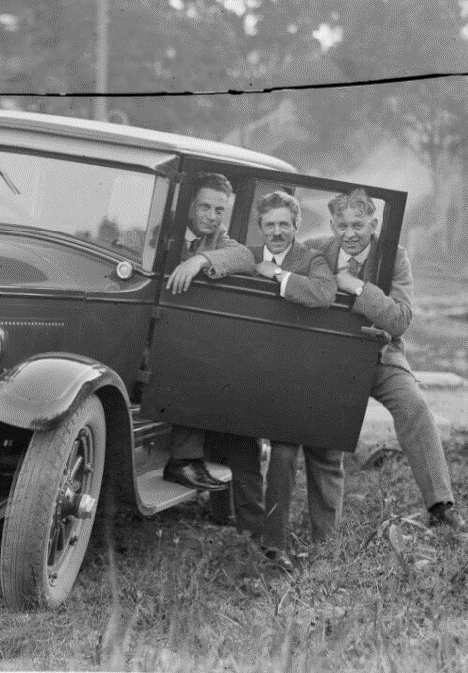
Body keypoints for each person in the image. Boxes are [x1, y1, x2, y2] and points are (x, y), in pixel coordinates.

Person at [307, 188, 466, 531]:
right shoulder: (317, 249)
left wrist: (357, 287)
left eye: (358, 225)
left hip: (380, 353)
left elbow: (400, 319)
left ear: (374, 224)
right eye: (342, 225)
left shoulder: (393, 256)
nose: (350, 234)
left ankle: (441, 506)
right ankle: (326, 534)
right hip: (333, 358)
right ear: (332, 224)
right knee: (326, 434)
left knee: (415, 407)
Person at [160, 174, 262, 540]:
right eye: (205, 206)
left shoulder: (217, 241)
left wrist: (200, 259)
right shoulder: (159, 230)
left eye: (220, 210)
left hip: (184, 340)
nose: (213, 216)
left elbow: (246, 256)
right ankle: (185, 460)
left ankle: (192, 463)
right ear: (188, 205)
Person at [247, 191, 339, 572]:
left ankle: (276, 546)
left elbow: (324, 292)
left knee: (284, 454)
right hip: (256, 364)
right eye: (270, 224)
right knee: (239, 447)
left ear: (296, 226)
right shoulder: (250, 256)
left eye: (285, 224)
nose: (277, 231)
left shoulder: (310, 259)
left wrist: (281, 276)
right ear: (260, 227)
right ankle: (253, 535)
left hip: (298, 370)